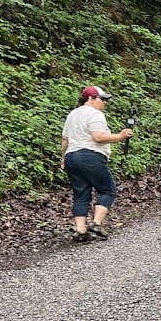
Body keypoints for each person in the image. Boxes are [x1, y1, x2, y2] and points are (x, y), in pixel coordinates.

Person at [60, 85, 133, 242]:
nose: (105, 103)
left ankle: (80, 231)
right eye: (102, 99)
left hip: (72, 156)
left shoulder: (72, 114)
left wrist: (63, 157)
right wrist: (121, 135)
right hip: (90, 156)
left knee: (81, 193)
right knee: (108, 189)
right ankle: (96, 223)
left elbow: (65, 139)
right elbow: (98, 137)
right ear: (91, 98)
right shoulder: (95, 114)